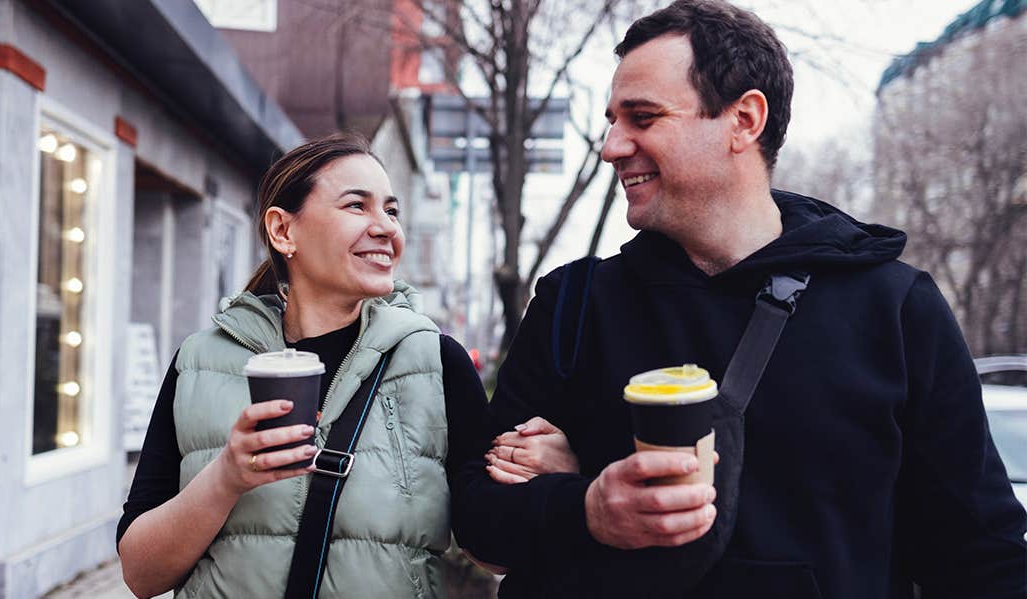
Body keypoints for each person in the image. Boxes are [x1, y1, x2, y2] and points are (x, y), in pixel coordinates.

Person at [452, 1, 1027, 597]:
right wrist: (586, 509)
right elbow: (476, 515)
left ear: (744, 120)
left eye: (642, 118)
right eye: (612, 121)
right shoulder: (572, 303)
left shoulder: (897, 309)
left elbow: (982, 556)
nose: (611, 146)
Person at [116, 134, 535, 598]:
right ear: (283, 231)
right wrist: (225, 478)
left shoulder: (436, 361)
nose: (385, 228)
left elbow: (493, 552)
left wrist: (540, 477)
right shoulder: (200, 361)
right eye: (357, 206)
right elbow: (140, 574)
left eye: (391, 211)